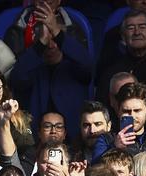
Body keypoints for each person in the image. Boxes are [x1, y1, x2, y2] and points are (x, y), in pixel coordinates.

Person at [9, 7, 93, 141]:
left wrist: (57, 32)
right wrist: (41, 42)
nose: (51, 45)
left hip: (73, 141)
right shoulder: (32, 67)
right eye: (46, 40)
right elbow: (18, 79)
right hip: (36, 142)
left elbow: (87, 66)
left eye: (55, 40)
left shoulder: (75, 66)